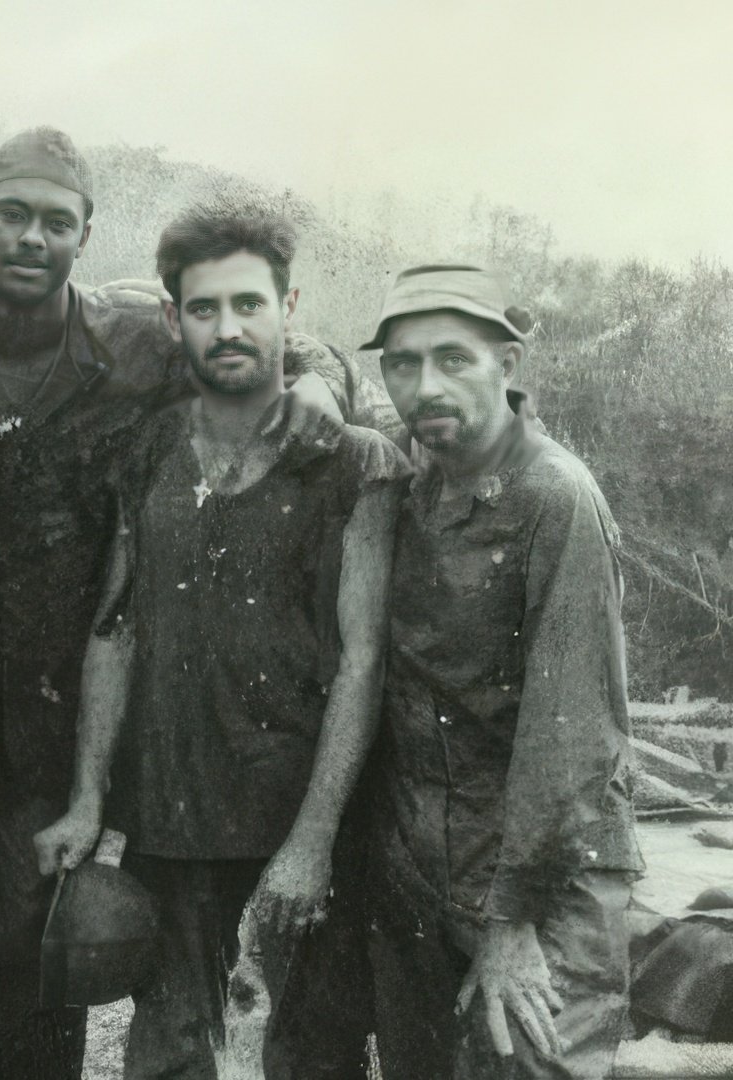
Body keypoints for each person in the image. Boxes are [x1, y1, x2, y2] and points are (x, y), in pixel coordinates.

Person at [0, 129, 400, 1079]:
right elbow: (119, 618)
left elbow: (360, 655)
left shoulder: (161, 352)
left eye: (57, 221)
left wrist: (324, 378)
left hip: (167, 755)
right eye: (11, 214)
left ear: (86, 234)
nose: (31, 238)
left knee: (70, 967)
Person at [32, 202, 409, 1079]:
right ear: (172, 319)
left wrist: (313, 841)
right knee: (165, 1053)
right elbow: (114, 629)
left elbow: (363, 660)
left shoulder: (355, 464)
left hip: (306, 810)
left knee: (313, 1054)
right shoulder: (151, 448)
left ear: (289, 307)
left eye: (250, 304)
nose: (228, 327)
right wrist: (90, 800)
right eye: (203, 308)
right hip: (175, 810)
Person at [362, 264, 642, 1078]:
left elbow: (574, 734)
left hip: (547, 884)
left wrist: (511, 920)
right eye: (403, 363)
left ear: (507, 365)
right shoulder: (411, 484)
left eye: (455, 359)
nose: (426, 384)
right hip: (426, 865)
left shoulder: (555, 496)